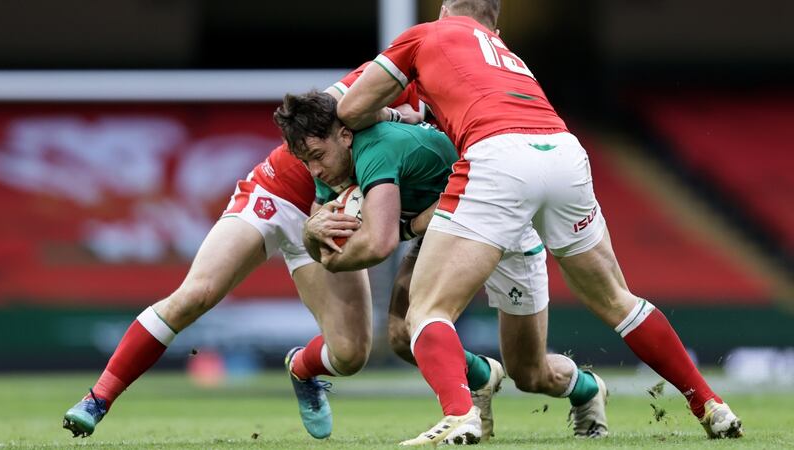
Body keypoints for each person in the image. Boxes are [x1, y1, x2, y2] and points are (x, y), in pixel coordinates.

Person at [336, 0, 743, 445]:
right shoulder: (507, 55)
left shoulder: (427, 36)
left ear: (445, 8)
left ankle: (460, 415)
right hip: (563, 153)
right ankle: (709, 402)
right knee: (614, 300)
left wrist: (399, 115)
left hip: (496, 160)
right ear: (495, 20)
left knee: (428, 310)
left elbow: (351, 108)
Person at [58, 63, 489, 441]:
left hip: (333, 213)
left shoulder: (439, 102)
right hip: (274, 194)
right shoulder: (387, 75)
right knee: (198, 293)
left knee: (350, 354)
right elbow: (336, 106)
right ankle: (98, 398)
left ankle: (302, 368)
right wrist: (398, 113)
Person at [276, 90, 609, 443]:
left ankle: (586, 389)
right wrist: (311, 232)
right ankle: (472, 391)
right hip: (445, 229)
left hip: (502, 225)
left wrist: (336, 253)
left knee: (530, 373)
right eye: (305, 161)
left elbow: (379, 243)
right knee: (405, 334)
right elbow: (323, 232)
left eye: (316, 156)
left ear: (344, 136)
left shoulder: (377, 148)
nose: (314, 169)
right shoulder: (328, 165)